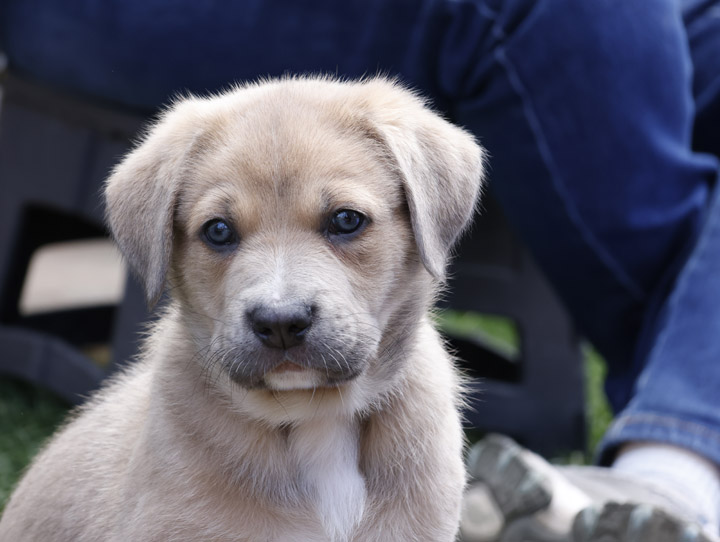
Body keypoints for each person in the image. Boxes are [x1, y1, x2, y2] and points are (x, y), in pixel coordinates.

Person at [2, 1, 719, 540]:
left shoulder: (422, 422)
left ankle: (675, 459)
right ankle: (676, 456)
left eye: (345, 222)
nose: (279, 303)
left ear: (424, 220)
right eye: (221, 233)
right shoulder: (183, 456)